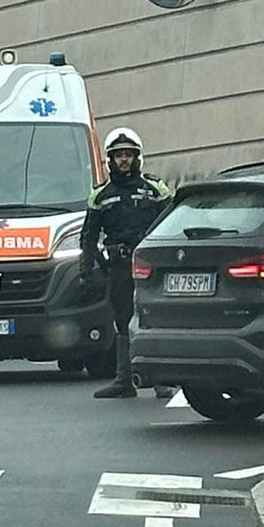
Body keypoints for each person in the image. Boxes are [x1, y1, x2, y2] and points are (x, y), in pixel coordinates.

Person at [79, 127, 175, 399]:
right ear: (110, 160)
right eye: (118, 155)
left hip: (149, 265)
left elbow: (171, 226)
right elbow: (88, 236)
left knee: (155, 317)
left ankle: (161, 380)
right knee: (122, 320)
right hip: (119, 266)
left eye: (128, 155)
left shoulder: (155, 189)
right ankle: (124, 381)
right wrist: (86, 270)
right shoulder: (100, 195)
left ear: (137, 158)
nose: (124, 160)